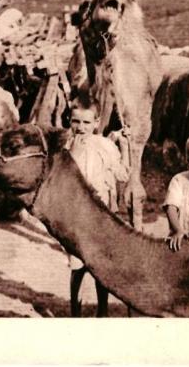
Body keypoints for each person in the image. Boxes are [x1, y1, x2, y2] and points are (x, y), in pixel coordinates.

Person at [65, 95, 130, 317]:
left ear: (96, 122)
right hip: (77, 214)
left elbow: (122, 174)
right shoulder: (67, 145)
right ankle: (75, 310)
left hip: (101, 213)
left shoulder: (105, 145)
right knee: (77, 264)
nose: (81, 128)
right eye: (76, 122)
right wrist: (75, 151)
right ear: (70, 121)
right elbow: (66, 176)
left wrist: (125, 145)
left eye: (86, 123)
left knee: (100, 265)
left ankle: (102, 310)